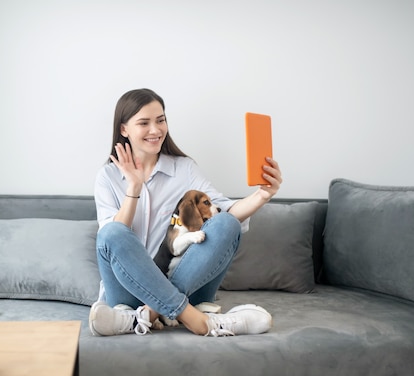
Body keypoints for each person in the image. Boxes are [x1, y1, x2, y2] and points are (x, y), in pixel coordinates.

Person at [89, 88, 283, 337]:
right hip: (127, 288)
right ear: (124, 129)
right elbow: (113, 239)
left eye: (161, 120)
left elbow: (225, 211)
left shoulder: (184, 169)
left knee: (226, 223)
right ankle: (199, 320)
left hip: (184, 281)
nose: (156, 130)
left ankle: (143, 316)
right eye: (144, 123)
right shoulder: (107, 177)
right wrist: (134, 187)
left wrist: (262, 195)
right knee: (112, 233)